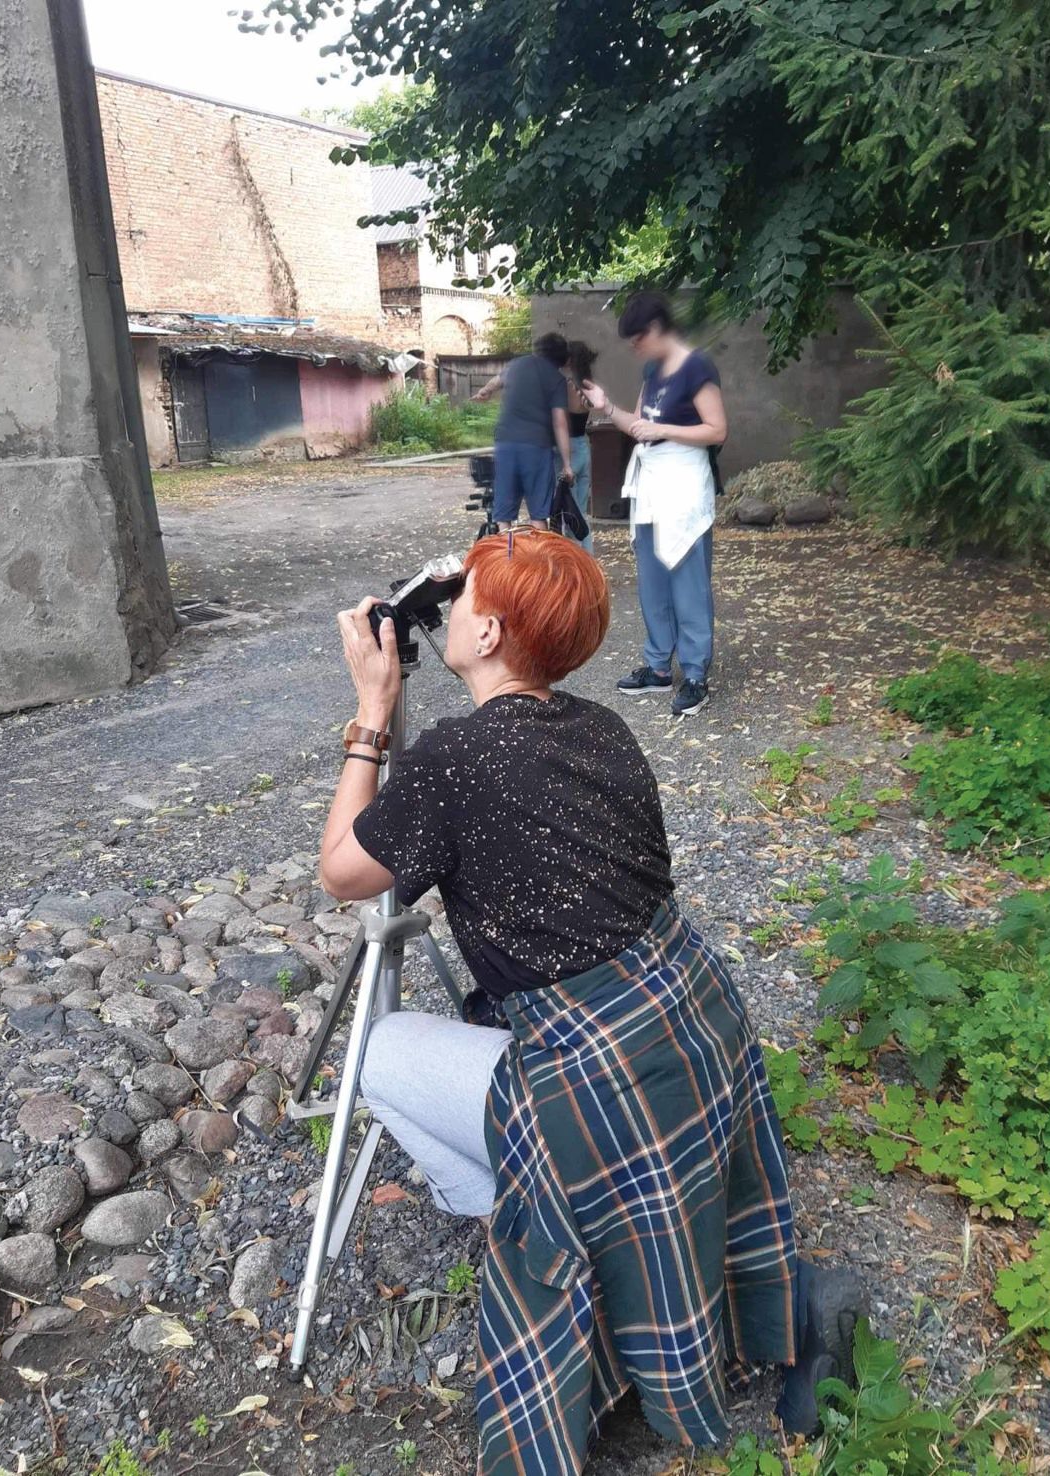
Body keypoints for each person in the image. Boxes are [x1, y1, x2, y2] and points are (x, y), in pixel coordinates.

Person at [320, 531, 868, 1476]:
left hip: (599, 1066)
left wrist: (372, 711)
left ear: (487, 633)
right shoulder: (602, 725)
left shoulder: (454, 761)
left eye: (462, 599)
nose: (449, 611)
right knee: (516, 1061)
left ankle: (568, 1245)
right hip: (693, 1028)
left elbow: (341, 873)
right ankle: (699, 1272)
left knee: (381, 1053)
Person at [582, 291, 725, 718]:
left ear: (657, 328)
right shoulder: (652, 370)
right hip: (651, 485)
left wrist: (664, 430)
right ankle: (659, 667)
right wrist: (607, 406)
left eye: (637, 338)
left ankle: (695, 675)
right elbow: (640, 426)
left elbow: (716, 429)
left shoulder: (697, 367)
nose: (634, 347)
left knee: (688, 581)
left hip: (684, 484)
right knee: (653, 580)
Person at [472, 333, 574, 531]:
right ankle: (539, 550)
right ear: (561, 357)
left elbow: (496, 381)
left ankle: (505, 549)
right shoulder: (556, 379)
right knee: (538, 513)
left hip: (506, 444)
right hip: (536, 447)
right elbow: (560, 422)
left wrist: (485, 391)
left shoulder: (517, 365)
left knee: (503, 515)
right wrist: (567, 464)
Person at [558, 340, 598, 553]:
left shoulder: (567, 386)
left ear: (569, 360)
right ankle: (588, 559)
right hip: (583, 446)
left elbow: (559, 421)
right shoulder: (588, 385)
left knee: (569, 515)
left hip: (569, 449)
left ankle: (575, 563)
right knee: (581, 513)